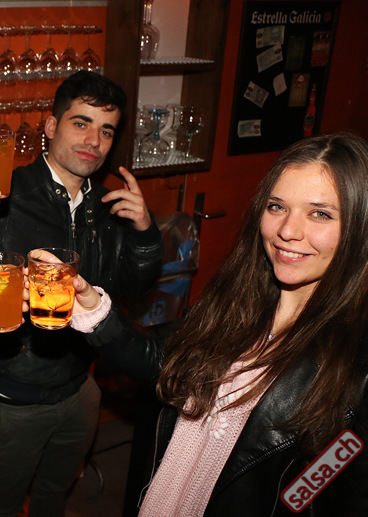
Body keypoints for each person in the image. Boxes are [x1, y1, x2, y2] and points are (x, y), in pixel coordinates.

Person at [0, 70, 164, 516]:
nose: (94, 140)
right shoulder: (4, 194)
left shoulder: (107, 206)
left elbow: (134, 290)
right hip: (12, 398)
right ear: (51, 126)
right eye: (81, 123)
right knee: (1, 505)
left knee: (53, 499)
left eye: (106, 130)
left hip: (81, 390)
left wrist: (144, 232)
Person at [80, 132, 368, 515]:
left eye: (320, 214)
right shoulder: (237, 301)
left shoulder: (358, 367)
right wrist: (91, 306)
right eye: (277, 206)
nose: (287, 231)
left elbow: (321, 494)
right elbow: (164, 362)